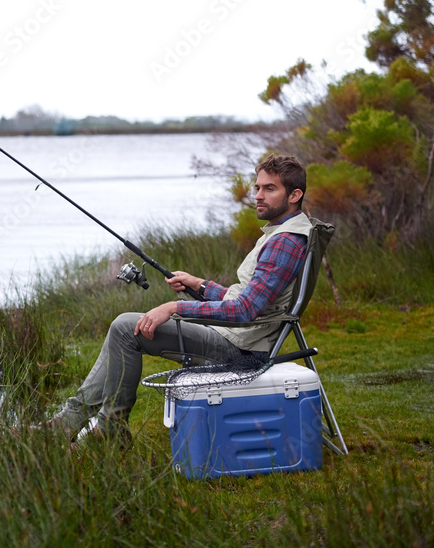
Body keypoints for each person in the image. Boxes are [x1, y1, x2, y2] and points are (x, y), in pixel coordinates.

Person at [45, 154, 313, 444]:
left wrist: (174, 307)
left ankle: (106, 431)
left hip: (242, 351)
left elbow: (246, 309)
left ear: (294, 195)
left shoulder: (283, 242)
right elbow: (255, 299)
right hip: (242, 338)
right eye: (257, 187)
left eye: (269, 189)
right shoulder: (288, 232)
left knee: (125, 328)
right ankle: (71, 423)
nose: (258, 196)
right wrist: (199, 284)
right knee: (122, 330)